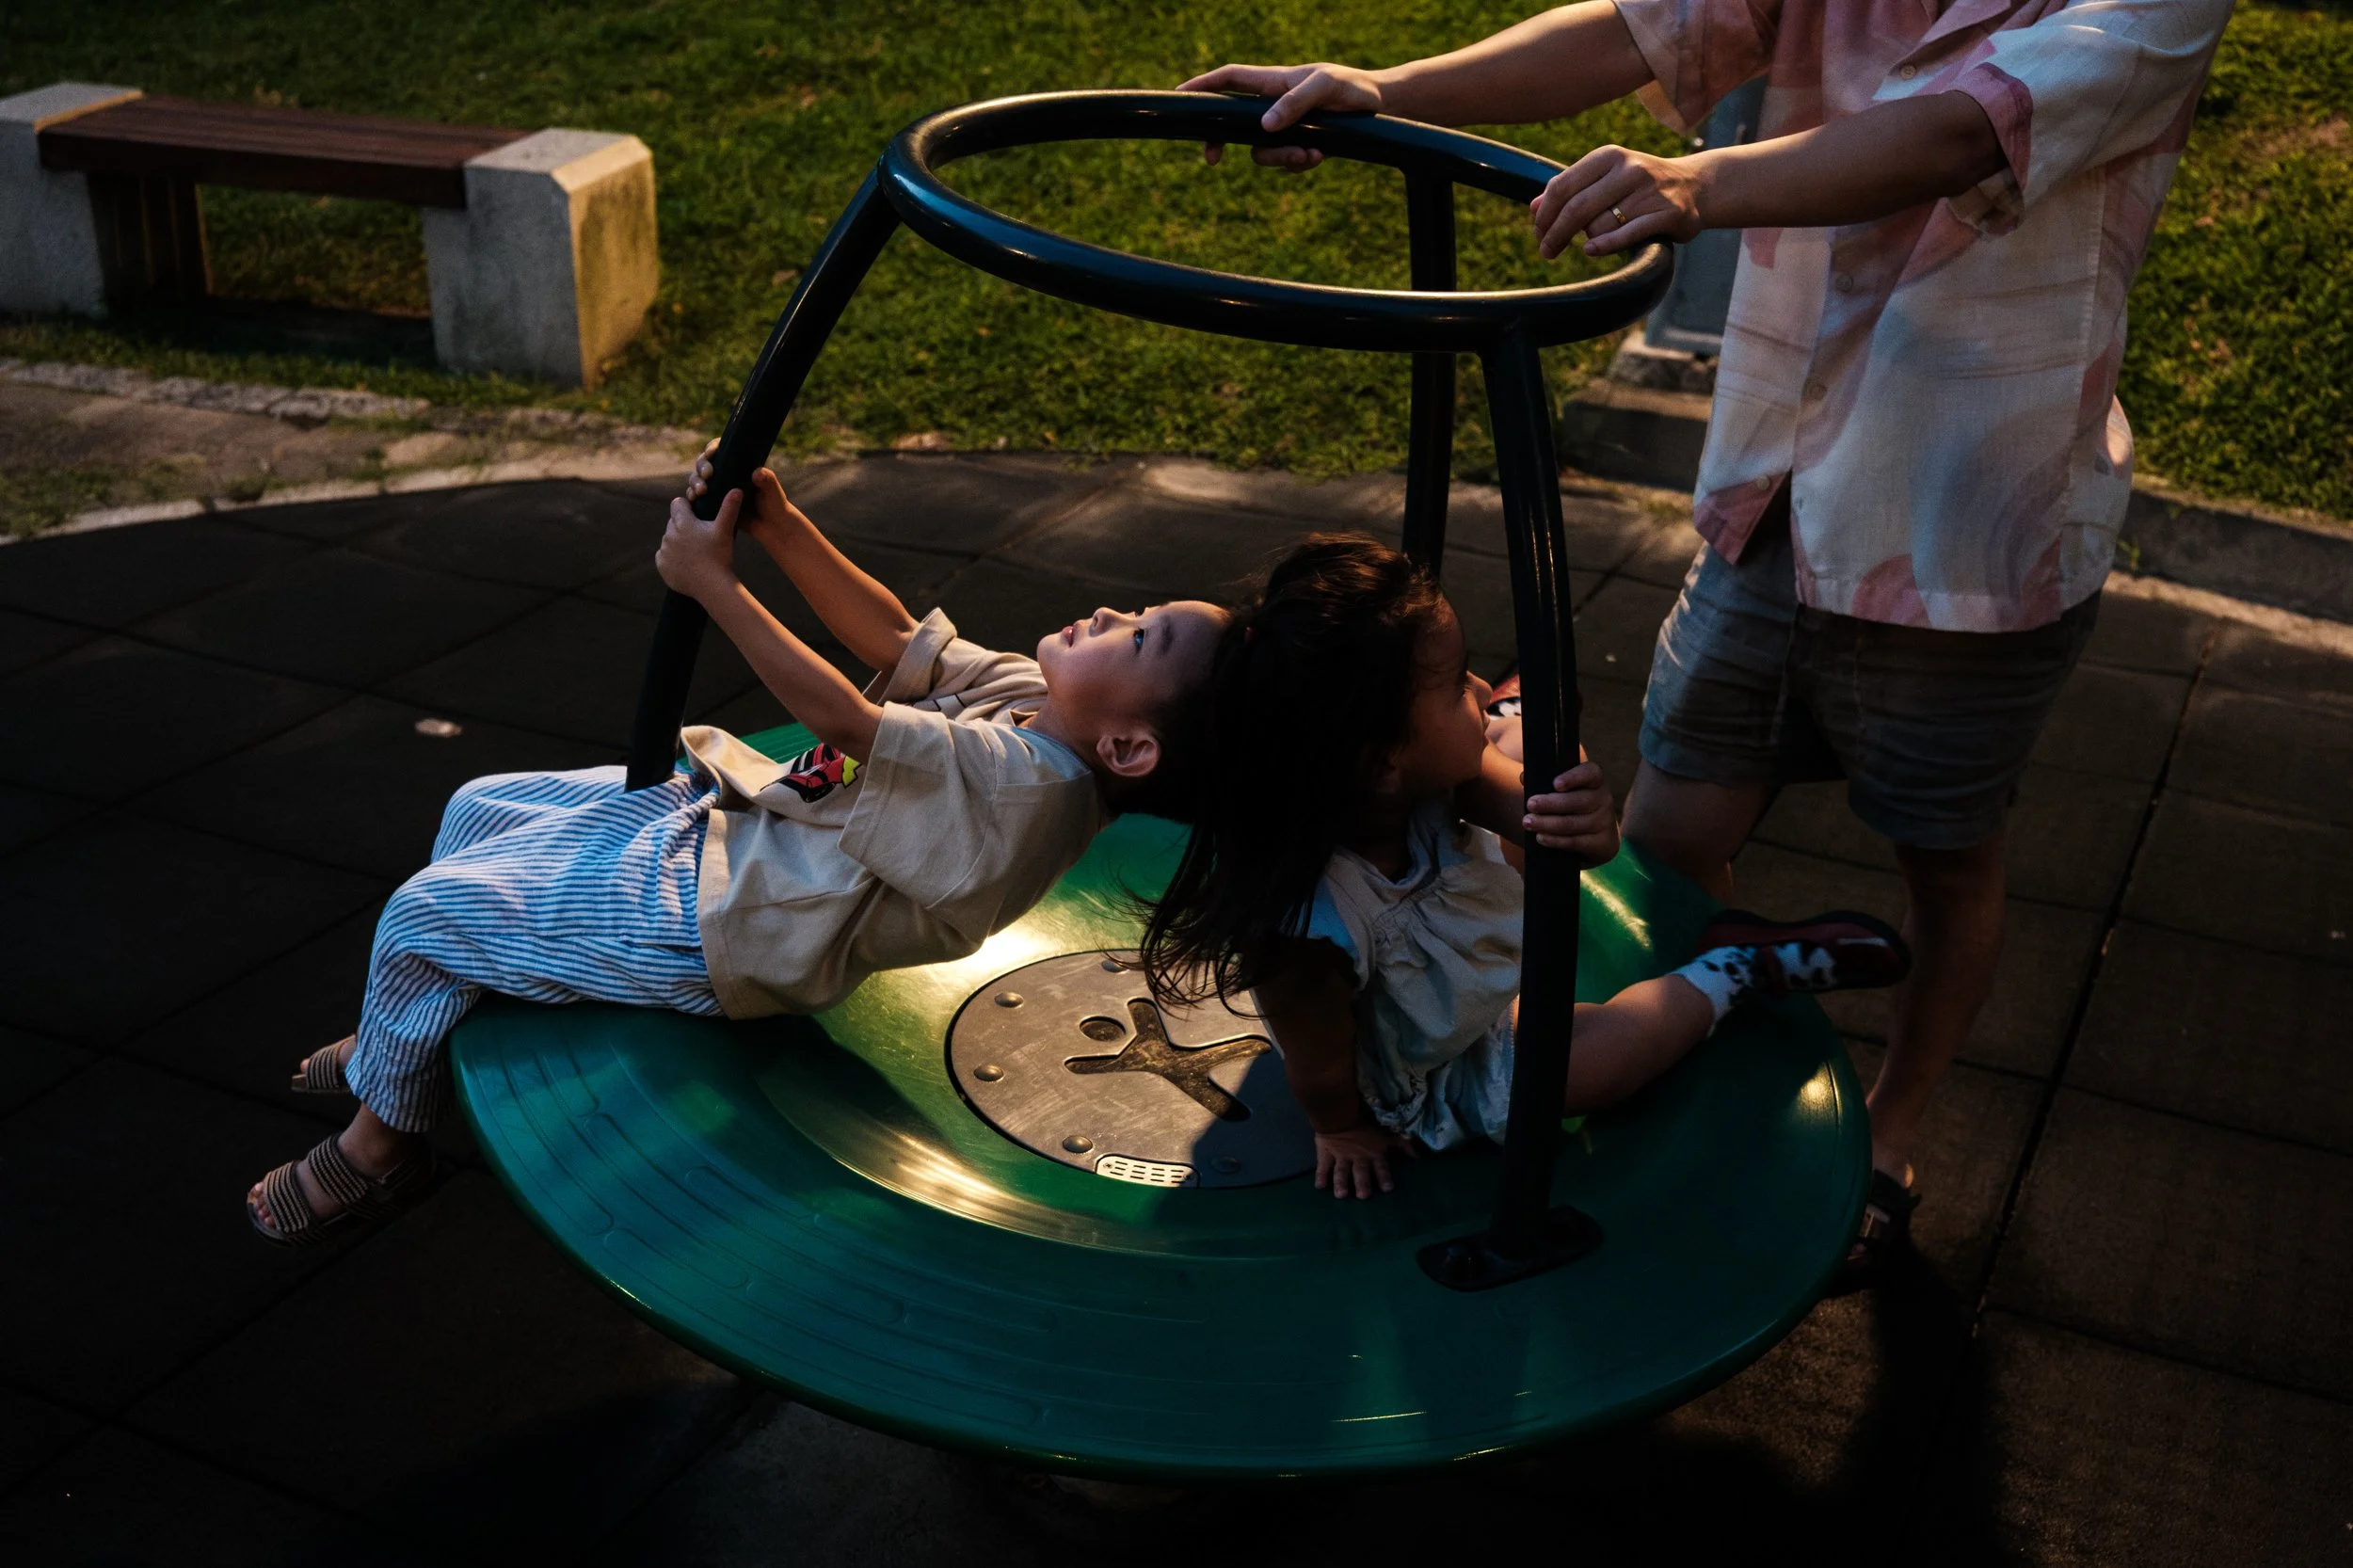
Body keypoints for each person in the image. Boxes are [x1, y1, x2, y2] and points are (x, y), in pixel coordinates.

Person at [1179, 0, 2230, 1257]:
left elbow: (1960, 133)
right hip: (1776, 485)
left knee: (1944, 851)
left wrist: (1696, 176)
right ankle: (1701, 1031)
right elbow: (1649, 24)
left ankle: (1891, 1124)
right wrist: (1386, 86)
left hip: (1965, 514)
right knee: (1672, 835)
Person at [248, 459, 1225, 1246]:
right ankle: (399, 1045)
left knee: (425, 915)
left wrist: (712, 582)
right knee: (480, 807)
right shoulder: (1029, 697)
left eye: (1137, 639)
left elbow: (843, 711)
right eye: (1138, 611)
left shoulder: (1033, 786)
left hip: (727, 922)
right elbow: (891, 636)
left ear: (1129, 748)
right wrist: (779, 522)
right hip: (738, 828)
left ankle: (383, 1144)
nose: (1110, 614)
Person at [1140, 535, 1912, 1198]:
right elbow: (1315, 1057)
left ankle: (1519, 721)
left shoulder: (1431, 778)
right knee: (1570, 1079)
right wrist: (1340, 1128)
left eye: (1473, 678)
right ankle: (1732, 972)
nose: (1469, 681)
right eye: (1455, 687)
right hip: (1430, 1060)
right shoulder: (1306, 930)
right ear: (1381, 763)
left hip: (1464, 925)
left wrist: (1589, 819)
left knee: (1527, 772)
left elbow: (1572, 847)